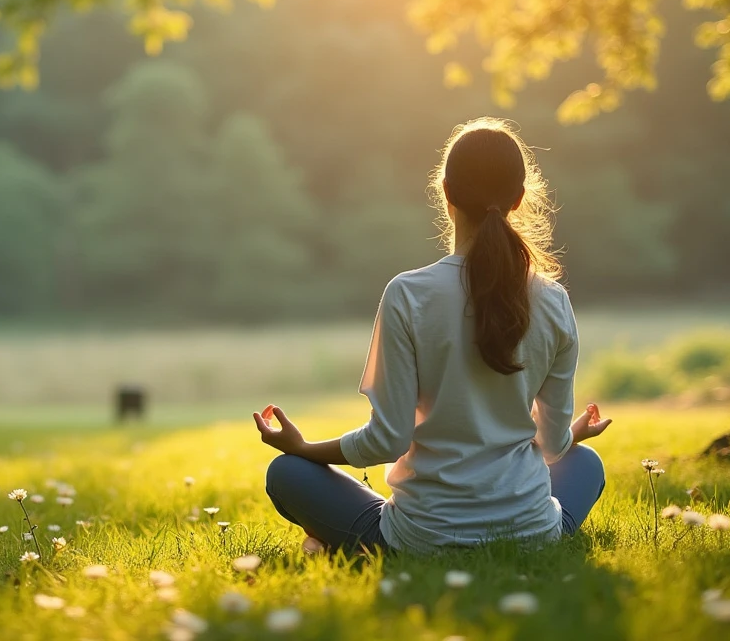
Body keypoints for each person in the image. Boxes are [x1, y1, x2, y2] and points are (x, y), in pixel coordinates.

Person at [254, 117, 611, 553]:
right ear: (519, 199)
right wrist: (575, 433)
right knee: (585, 461)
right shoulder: (553, 300)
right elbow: (554, 446)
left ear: (445, 192)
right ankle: (537, 533)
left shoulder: (408, 294)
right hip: (530, 532)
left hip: (422, 537)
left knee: (287, 474)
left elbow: (388, 440)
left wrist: (304, 448)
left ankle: (341, 545)